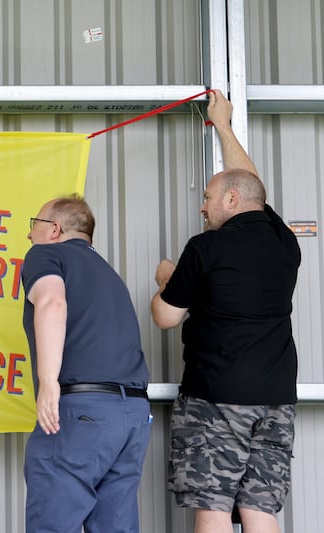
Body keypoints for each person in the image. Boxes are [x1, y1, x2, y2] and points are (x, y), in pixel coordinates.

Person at [151, 90, 300, 533]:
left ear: (231, 200)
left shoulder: (205, 248)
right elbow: (252, 185)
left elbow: (166, 317)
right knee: (260, 510)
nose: (203, 206)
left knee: (213, 508)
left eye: (210, 198)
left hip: (217, 397)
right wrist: (223, 125)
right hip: (276, 399)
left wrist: (166, 280)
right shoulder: (283, 241)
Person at [21, 195, 151, 533]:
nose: (28, 236)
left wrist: (48, 382)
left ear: (54, 229)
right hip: (132, 416)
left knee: (53, 523)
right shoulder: (109, 274)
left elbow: (51, 302)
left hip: (82, 413)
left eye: (33, 225)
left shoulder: (46, 254)